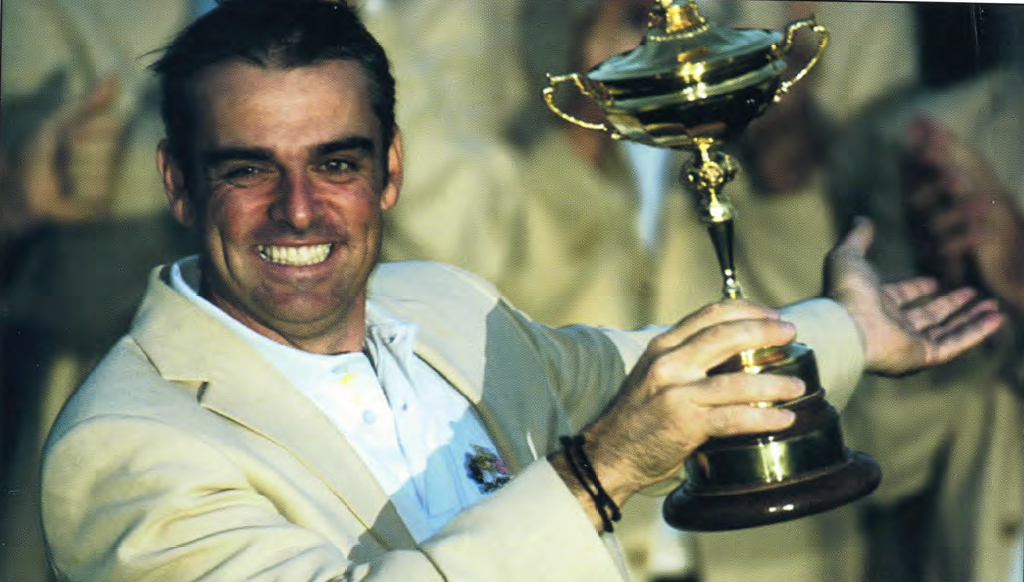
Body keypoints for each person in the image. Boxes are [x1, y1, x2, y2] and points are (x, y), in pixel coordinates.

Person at [40, 1, 1004, 581]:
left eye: (336, 163)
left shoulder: (440, 303)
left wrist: (845, 326)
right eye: (247, 169)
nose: (300, 210)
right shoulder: (124, 444)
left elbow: (637, 375)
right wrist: (597, 476)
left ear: (390, 173)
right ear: (177, 182)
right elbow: (621, 436)